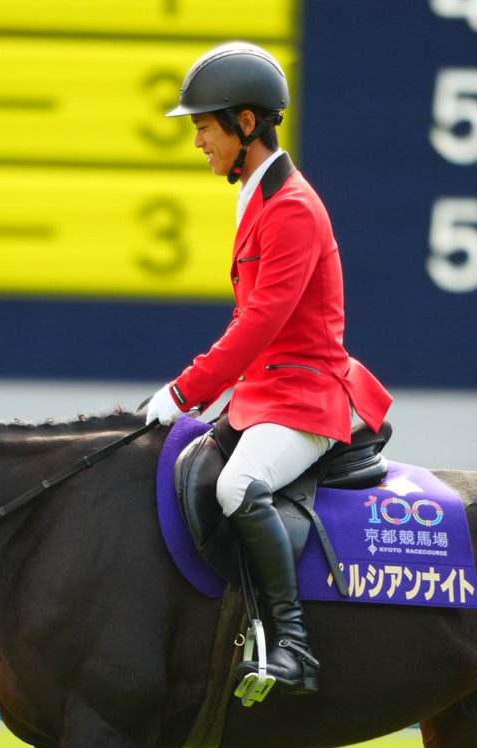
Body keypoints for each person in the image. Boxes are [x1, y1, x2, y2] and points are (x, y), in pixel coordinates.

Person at [145, 42, 393, 696]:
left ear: (246, 123)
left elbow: (259, 323)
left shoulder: (292, 209)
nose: (198, 140)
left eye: (205, 125)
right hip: (266, 392)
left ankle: (293, 646)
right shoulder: (257, 196)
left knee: (237, 487)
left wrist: (184, 391)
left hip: (305, 398)